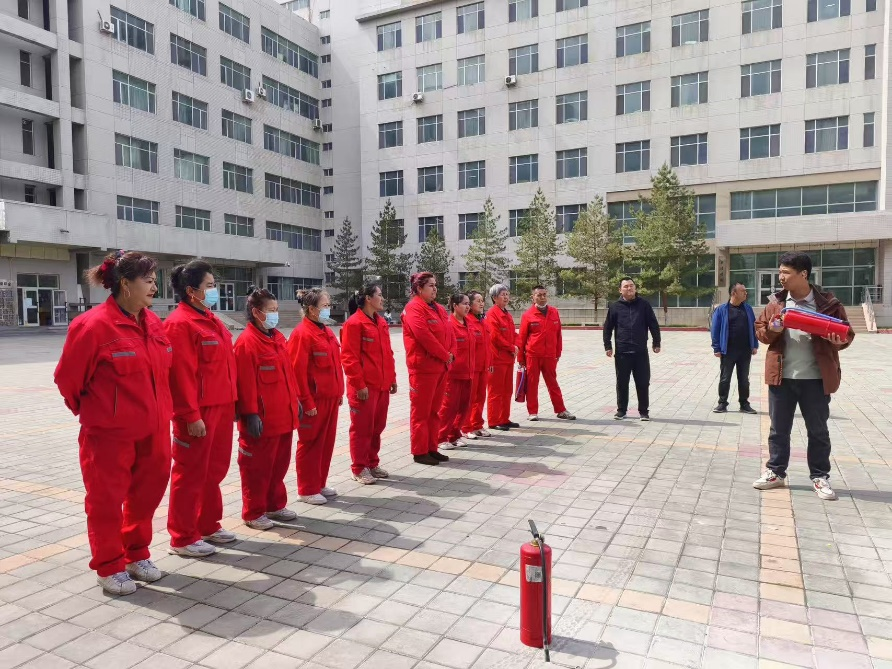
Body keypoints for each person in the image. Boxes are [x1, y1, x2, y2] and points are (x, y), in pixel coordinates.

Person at [54, 251, 172, 595]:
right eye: (148, 280)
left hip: (154, 429)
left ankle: (136, 554)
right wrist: (99, 412)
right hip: (109, 435)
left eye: (155, 280)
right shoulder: (93, 326)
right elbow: (68, 379)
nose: (154, 287)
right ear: (125, 284)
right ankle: (109, 566)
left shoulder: (153, 323)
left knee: (147, 496)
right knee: (106, 501)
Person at [753, 251, 854, 501]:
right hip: (782, 378)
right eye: (780, 272)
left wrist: (837, 341)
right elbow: (761, 332)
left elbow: (847, 334)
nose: (781, 277)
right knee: (778, 429)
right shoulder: (777, 303)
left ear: (803, 274)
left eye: (786, 273)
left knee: (818, 431)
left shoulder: (828, 304)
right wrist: (773, 330)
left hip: (816, 379)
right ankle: (776, 472)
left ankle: (820, 476)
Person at [165, 260, 238, 557]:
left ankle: (208, 524)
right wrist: (190, 415)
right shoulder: (179, 324)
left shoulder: (211, 319)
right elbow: (180, 375)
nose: (214, 290)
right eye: (209, 286)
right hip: (198, 412)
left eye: (214, 285)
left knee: (214, 470)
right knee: (190, 473)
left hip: (221, 406)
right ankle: (182, 537)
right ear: (191, 291)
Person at [233, 287, 301, 530]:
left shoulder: (277, 338)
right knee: (257, 469)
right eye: (271, 310)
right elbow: (244, 383)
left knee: (279, 465)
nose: (275, 314)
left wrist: (296, 400)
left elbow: (288, 374)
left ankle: (275, 505)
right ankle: (253, 512)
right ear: (256, 312)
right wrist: (250, 413)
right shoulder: (247, 342)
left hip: (283, 415)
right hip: (262, 420)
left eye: (276, 309)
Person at [288, 289, 344, 503]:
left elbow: (335, 366)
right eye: (325, 306)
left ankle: (319, 482)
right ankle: (307, 489)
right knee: (310, 443)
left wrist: (339, 392)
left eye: (329, 305)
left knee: (326, 443)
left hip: (330, 398)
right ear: (311, 309)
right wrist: (306, 401)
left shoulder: (326, 331)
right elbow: (297, 372)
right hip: (314, 401)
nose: (328, 309)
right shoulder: (302, 334)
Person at [341, 283, 397, 484]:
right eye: (379, 295)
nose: (382, 299)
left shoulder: (380, 322)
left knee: (377, 427)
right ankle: (359, 468)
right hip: (364, 388)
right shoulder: (354, 323)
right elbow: (349, 357)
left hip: (381, 385)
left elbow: (388, 353)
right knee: (362, 429)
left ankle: (372, 463)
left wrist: (392, 378)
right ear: (368, 298)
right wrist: (359, 384)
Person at [402, 272, 455, 465]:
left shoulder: (438, 308)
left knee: (435, 411)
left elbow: (449, 333)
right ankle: (420, 451)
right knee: (421, 412)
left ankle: (432, 447)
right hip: (423, 369)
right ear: (419, 288)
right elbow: (423, 336)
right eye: (430, 285)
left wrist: (451, 353)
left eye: (435, 285)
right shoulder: (413, 308)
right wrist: (445, 355)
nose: (435, 289)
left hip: (440, 367)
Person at [603, 277, 661, 421]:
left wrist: (656, 342)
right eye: (626, 286)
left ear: (635, 288)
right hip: (622, 352)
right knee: (622, 383)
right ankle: (621, 410)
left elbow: (653, 324)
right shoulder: (615, 306)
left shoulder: (644, 305)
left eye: (631, 286)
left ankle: (644, 411)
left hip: (640, 352)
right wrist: (608, 346)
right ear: (620, 290)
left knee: (643, 382)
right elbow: (608, 327)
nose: (629, 288)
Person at [517, 286, 575, 421]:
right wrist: (521, 359)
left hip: (550, 355)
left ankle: (561, 410)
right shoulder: (527, 315)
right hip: (533, 355)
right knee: (532, 384)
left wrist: (558, 352)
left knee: (553, 383)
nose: (542, 297)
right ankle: (532, 412)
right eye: (539, 295)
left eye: (544, 294)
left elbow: (558, 334)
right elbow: (522, 338)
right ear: (533, 297)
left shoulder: (554, 312)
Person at [710, 283, 758, 414]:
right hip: (728, 350)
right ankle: (722, 403)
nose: (746, 293)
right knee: (725, 378)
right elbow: (715, 330)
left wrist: (754, 345)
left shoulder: (748, 308)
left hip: (745, 350)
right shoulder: (722, 310)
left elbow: (754, 327)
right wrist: (716, 348)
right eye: (743, 291)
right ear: (734, 293)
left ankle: (744, 404)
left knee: (744, 379)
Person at [438, 293, 476, 450]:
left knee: (463, 407)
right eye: (464, 304)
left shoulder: (469, 323)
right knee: (448, 407)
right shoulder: (449, 324)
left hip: (468, 372)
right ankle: (441, 437)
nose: (468, 306)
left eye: (468, 304)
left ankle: (454, 435)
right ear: (454, 305)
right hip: (453, 374)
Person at [486, 283, 520, 431]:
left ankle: (504, 418)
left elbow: (514, 334)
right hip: (497, 359)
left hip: (508, 358)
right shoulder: (492, 314)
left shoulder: (507, 314)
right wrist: (511, 347)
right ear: (494, 298)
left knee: (507, 391)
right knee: (496, 391)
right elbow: (495, 337)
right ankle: (494, 421)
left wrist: (517, 345)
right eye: (502, 295)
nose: (506, 297)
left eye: (507, 294)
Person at [462, 290, 493, 439]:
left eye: (482, 301)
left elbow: (488, 345)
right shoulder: (467, 321)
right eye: (478, 301)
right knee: (470, 398)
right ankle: (466, 427)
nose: (481, 304)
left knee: (480, 397)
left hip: (483, 367)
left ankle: (477, 425)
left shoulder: (482, 321)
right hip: (472, 367)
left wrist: (489, 362)